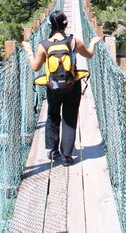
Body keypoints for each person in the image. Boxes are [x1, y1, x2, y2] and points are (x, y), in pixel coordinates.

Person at [22, 11, 101, 166]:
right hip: (72, 85)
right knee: (69, 118)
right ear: (66, 24)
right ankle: (66, 156)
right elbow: (89, 55)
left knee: (52, 115)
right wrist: (92, 42)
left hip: (53, 87)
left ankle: (53, 150)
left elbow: (35, 67)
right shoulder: (73, 41)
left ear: (50, 25)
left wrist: (29, 51)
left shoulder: (44, 45)